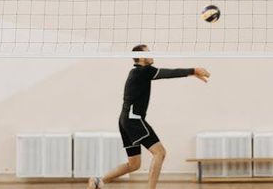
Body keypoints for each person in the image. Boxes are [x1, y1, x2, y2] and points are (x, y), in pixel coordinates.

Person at [88, 44, 210, 189]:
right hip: (134, 120)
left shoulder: (136, 72)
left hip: (125, 120)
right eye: (149, 53)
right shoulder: (142, 72)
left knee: (134, 164)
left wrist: (192, 73)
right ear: (141, 57)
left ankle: (99, 181)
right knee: (160, 153)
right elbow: (168, 73)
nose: (152, 55)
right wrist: (193, 70)